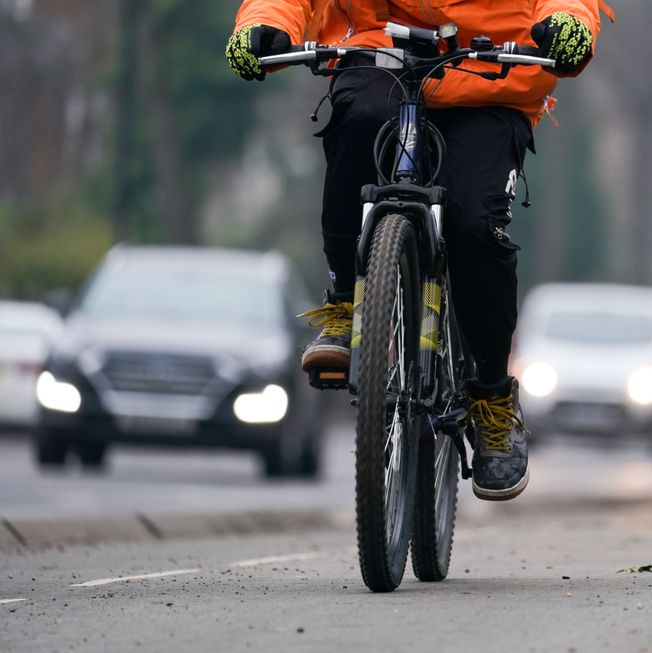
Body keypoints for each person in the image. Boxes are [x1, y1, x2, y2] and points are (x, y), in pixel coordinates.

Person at [226, 0, 612, 501]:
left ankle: (491, 396)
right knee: (359, 123)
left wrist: (569, 25)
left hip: (492, 75)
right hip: (381, 60)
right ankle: (347, 302)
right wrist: (264, 25)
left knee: (474, 225)